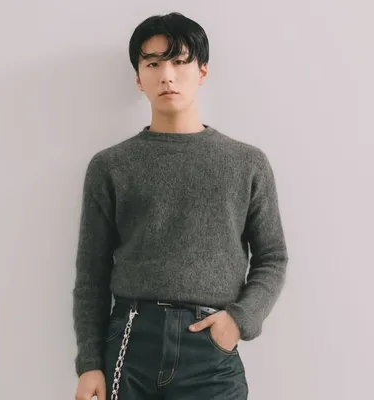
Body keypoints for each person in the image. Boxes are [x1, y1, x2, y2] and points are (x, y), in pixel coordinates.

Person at [73, 12, 288, 400]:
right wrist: (90, 364)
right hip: (131, 342)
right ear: (139, 78)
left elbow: (272, 257)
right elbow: (92, 272)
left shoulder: (246, 163)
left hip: (211, 351)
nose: (167, 76)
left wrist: (238, 321)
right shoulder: (110, 166)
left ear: (202, 71)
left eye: (179, 61)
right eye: (153, 64)